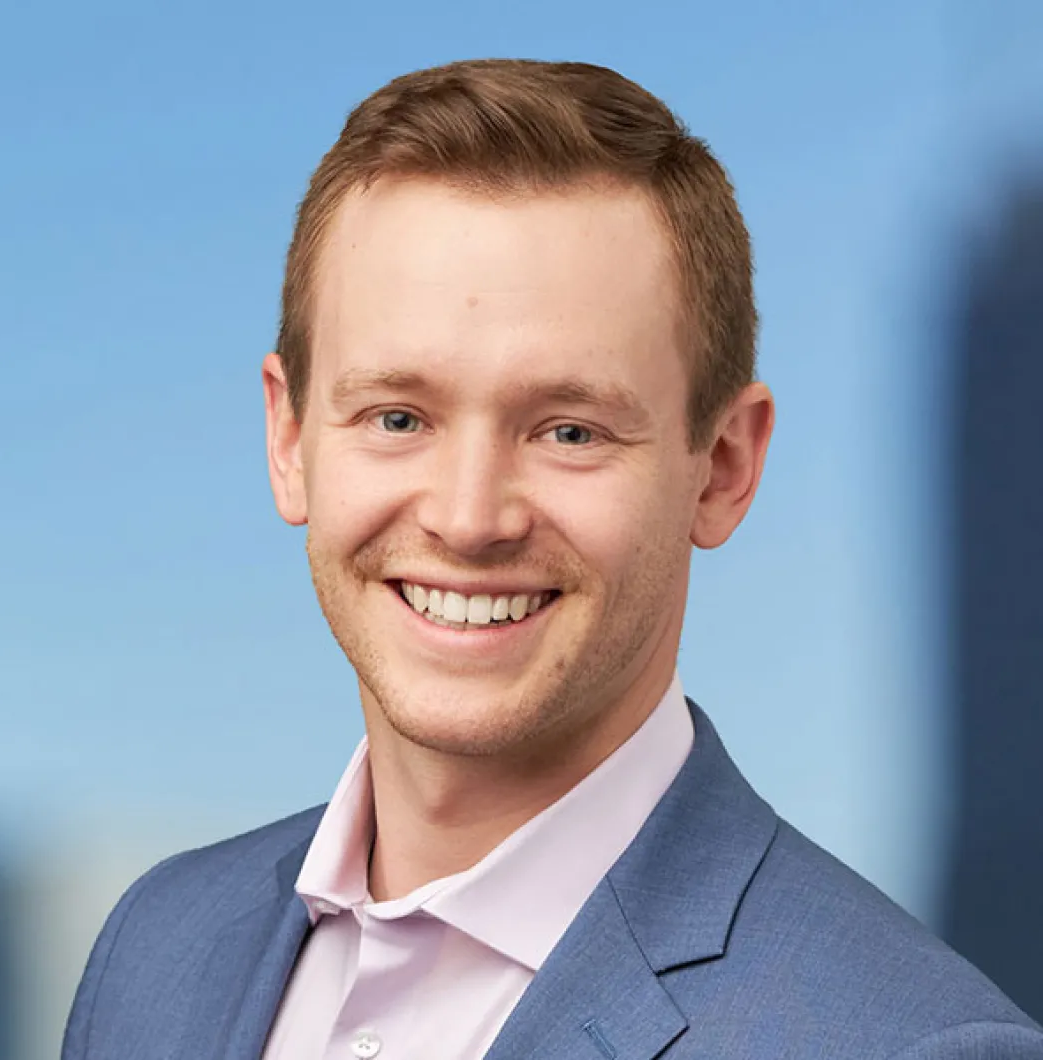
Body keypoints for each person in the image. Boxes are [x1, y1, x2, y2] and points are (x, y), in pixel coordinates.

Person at [61, 59, 1043, 1060]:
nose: (468, 518)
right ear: (288, 440)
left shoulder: (916, 1045)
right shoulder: (155, 947)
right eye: (397, 417)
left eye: (569, 431)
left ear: (724, 468)